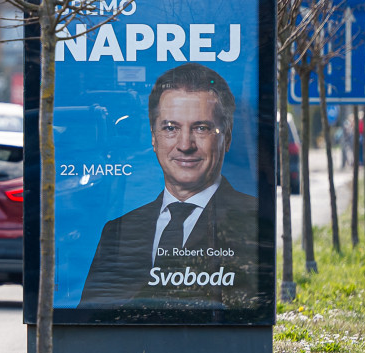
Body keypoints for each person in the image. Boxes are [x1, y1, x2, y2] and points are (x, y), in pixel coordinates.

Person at [79, 63, 259, 308]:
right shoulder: (117, 232)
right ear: (154, 137)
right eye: (171, 128)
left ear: (226, 137)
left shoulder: (253, 220)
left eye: (201, 128)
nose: (185, 144)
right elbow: (92, 320)